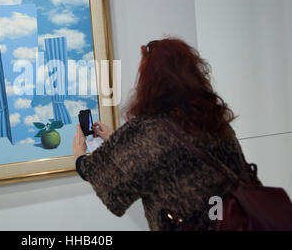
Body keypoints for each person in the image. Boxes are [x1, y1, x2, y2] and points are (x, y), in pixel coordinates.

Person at [72, 38, 259, 231]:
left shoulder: (150, 130)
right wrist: (115, 140)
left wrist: (79, 155)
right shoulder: (214, 120)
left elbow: (103, 175)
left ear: (148, 80)